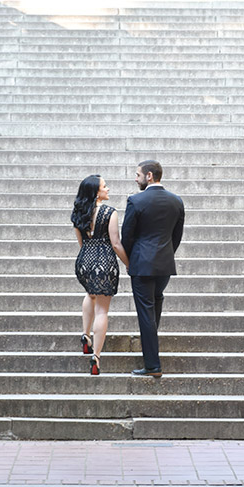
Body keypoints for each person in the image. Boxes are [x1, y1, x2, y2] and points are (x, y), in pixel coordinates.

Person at [120, 159, 185, 378]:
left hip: (142, 265)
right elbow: (177, 236)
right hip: (164, 264)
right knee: (155, 304)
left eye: (138, 175)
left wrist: (131, 261)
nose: (135, 179)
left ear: (149, 176)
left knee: (146, 312)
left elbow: (127, 236)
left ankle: (152, 365)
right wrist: (166, 255)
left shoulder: (136, 201)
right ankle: (151, 350)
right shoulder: (176, 201)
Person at [70, 174, 128, 375]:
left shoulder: (78, 212)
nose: (108, 189)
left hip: (84, 260)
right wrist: (128, 263)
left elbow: (81, 242)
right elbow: (116, 243)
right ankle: (96, 357)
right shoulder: (110, 212)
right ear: (96, 192)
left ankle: (85, 336)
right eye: (105, 186)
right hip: (104, 261)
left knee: (90, 294)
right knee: (102, 311)